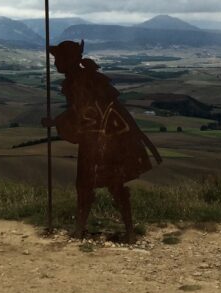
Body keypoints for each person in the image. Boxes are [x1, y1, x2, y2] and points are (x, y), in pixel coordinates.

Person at [44, 40, 162, 243]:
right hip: (107, 136)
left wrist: (56, 122)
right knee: (108, 184)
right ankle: (118, 231)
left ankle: (85, 230)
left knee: (90, 184)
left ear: (67, 60)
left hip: (98, 138)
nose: (54, 63)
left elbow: (84, 112)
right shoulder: (82, 79)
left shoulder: (79, 82)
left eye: (57, 59)